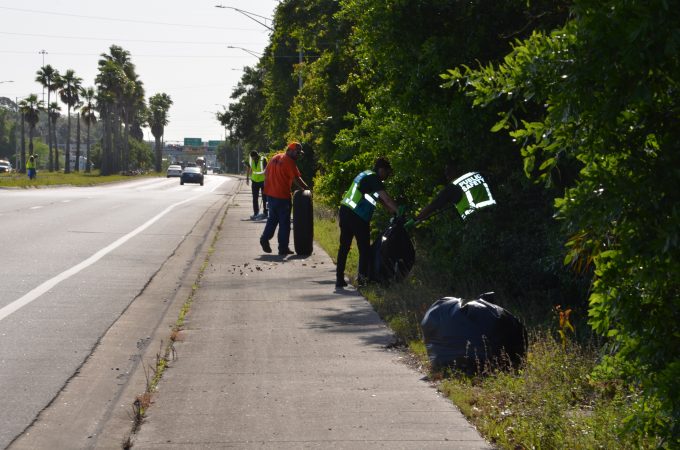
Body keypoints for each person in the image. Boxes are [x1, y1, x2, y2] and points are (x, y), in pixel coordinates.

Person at [336, 157, 400, 288]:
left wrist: (391, 211)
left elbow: (381, 201)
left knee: (344, 246)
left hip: (345, 211)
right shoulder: (374, 178)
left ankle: (339, 279)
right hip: (357, 216)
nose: (387, 176)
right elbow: (386, 199)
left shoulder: (366, 174)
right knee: (364, 249)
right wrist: (399, 212)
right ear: (381, 169)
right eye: (387, 173)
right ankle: (363, 280)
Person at [260, 141, 309, 256]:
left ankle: (264, 238)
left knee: (272, 219)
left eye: (299, 153)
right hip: (282, 196)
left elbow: (266, 173)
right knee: (284, 223)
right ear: (290, 150)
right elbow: (297, 179)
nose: (298, 155)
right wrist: (307, 189)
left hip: (270, 195)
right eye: (297, 153)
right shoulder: (289, 162)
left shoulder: (275, 157)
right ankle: (283, 248)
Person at [246, 150, 268, 220]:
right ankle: (256, 212)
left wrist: (267, 179)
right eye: (252, 158)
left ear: (257, 155)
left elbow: (266, 169)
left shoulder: (263, 159)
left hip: (263, 181)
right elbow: (249, 168)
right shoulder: (251, 159)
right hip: (254, 181)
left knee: (265, 198)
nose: (252, 159)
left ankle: (266, 213)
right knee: (255, 198)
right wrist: (247, 178)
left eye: (253, 157)